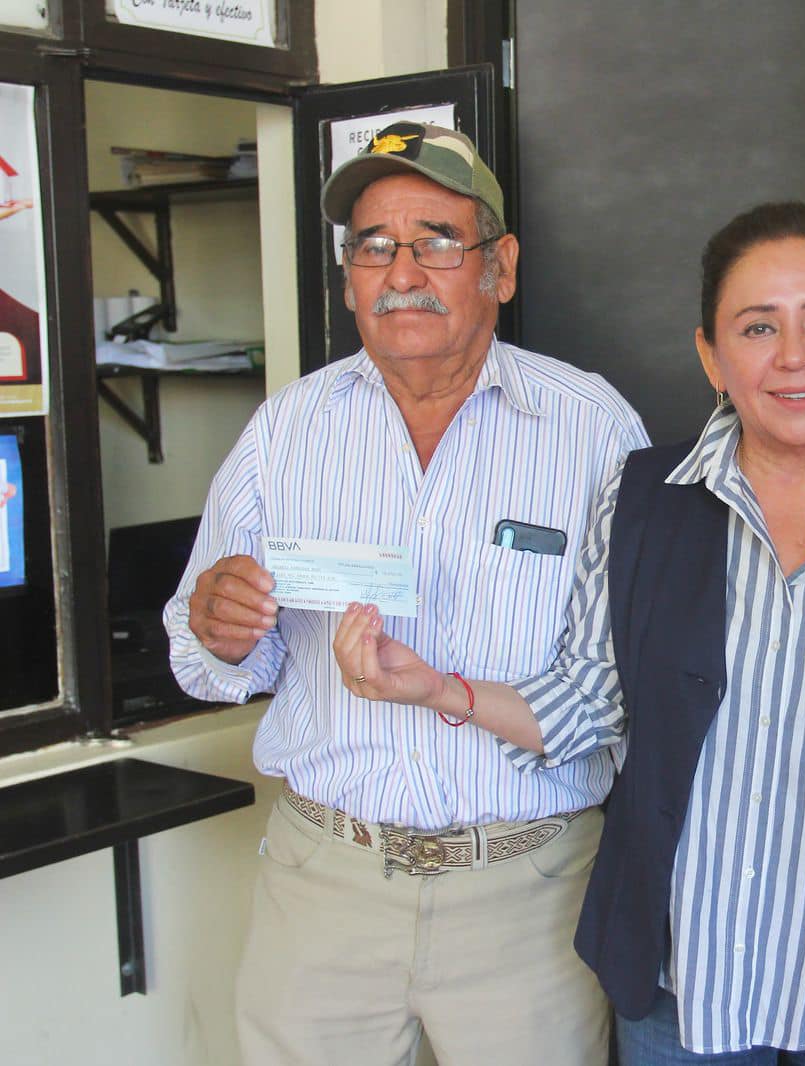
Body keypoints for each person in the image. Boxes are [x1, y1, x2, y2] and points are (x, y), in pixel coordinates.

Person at [334, 201, 805, 1063]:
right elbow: (588, 700)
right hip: (681, 982)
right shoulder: (644, 498)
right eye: (757, 327)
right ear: (711, 356)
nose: (794, 355)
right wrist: (437, 689)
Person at [164, 122, 648, 1065]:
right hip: (323, 886)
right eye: (374, 247)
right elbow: (206, 654)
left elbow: (622, 687)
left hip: (530, 889)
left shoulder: (593, 430)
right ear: (349, 277)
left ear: (500, 267)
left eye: (436, 241)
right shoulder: (285, 432)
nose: (402, 273)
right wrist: (217, 627)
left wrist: (445, 691)